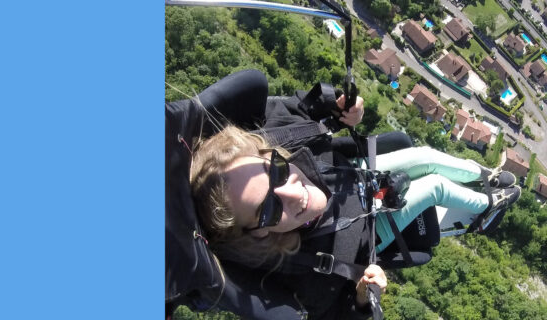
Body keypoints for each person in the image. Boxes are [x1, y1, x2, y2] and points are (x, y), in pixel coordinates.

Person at [169, 69, 520, 319]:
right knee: (435, 187)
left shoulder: (277, 139)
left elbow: (303, 111)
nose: (292, 192)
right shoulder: (294, 270)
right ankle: (490, 202)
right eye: (268, 211)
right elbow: (334, 314)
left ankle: (486, 175)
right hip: (369, 233)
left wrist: (338, 111)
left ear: (268, 153)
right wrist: (363, 300)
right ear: (256, 233)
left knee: (426, 157)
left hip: (358, 178)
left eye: (275, 170)